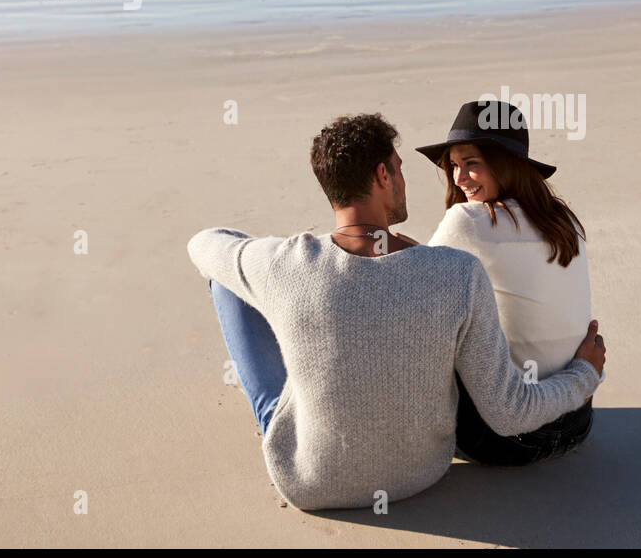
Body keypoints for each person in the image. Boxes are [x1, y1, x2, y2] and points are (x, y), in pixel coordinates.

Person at [187, 113, 605, 511]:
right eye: (400, 169)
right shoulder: (457, 271)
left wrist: (271, 264)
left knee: (229, 277)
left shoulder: (283, 262)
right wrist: (583, 375)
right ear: (383, 175)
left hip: (309, 480)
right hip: (422, 473)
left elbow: (202, 244)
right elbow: (506, 408)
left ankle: (278, 419)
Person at [417, 100, 594, 467]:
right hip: (577, 421)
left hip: (502, 438)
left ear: (506, 165)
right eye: (453, 166)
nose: (458, 178)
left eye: (472, 164)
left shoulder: (468, 221)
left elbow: (410, 287)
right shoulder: (566, 222)